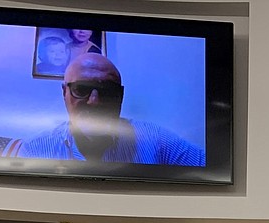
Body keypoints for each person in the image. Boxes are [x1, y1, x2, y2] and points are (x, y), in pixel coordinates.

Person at [18, 54, 204, 166]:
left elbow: (214, 168)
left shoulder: (156, 140)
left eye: (107, 91)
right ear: (64, 92)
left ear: (120, 96)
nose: (94, 101)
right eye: (81, 89)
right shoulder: (36, 149)